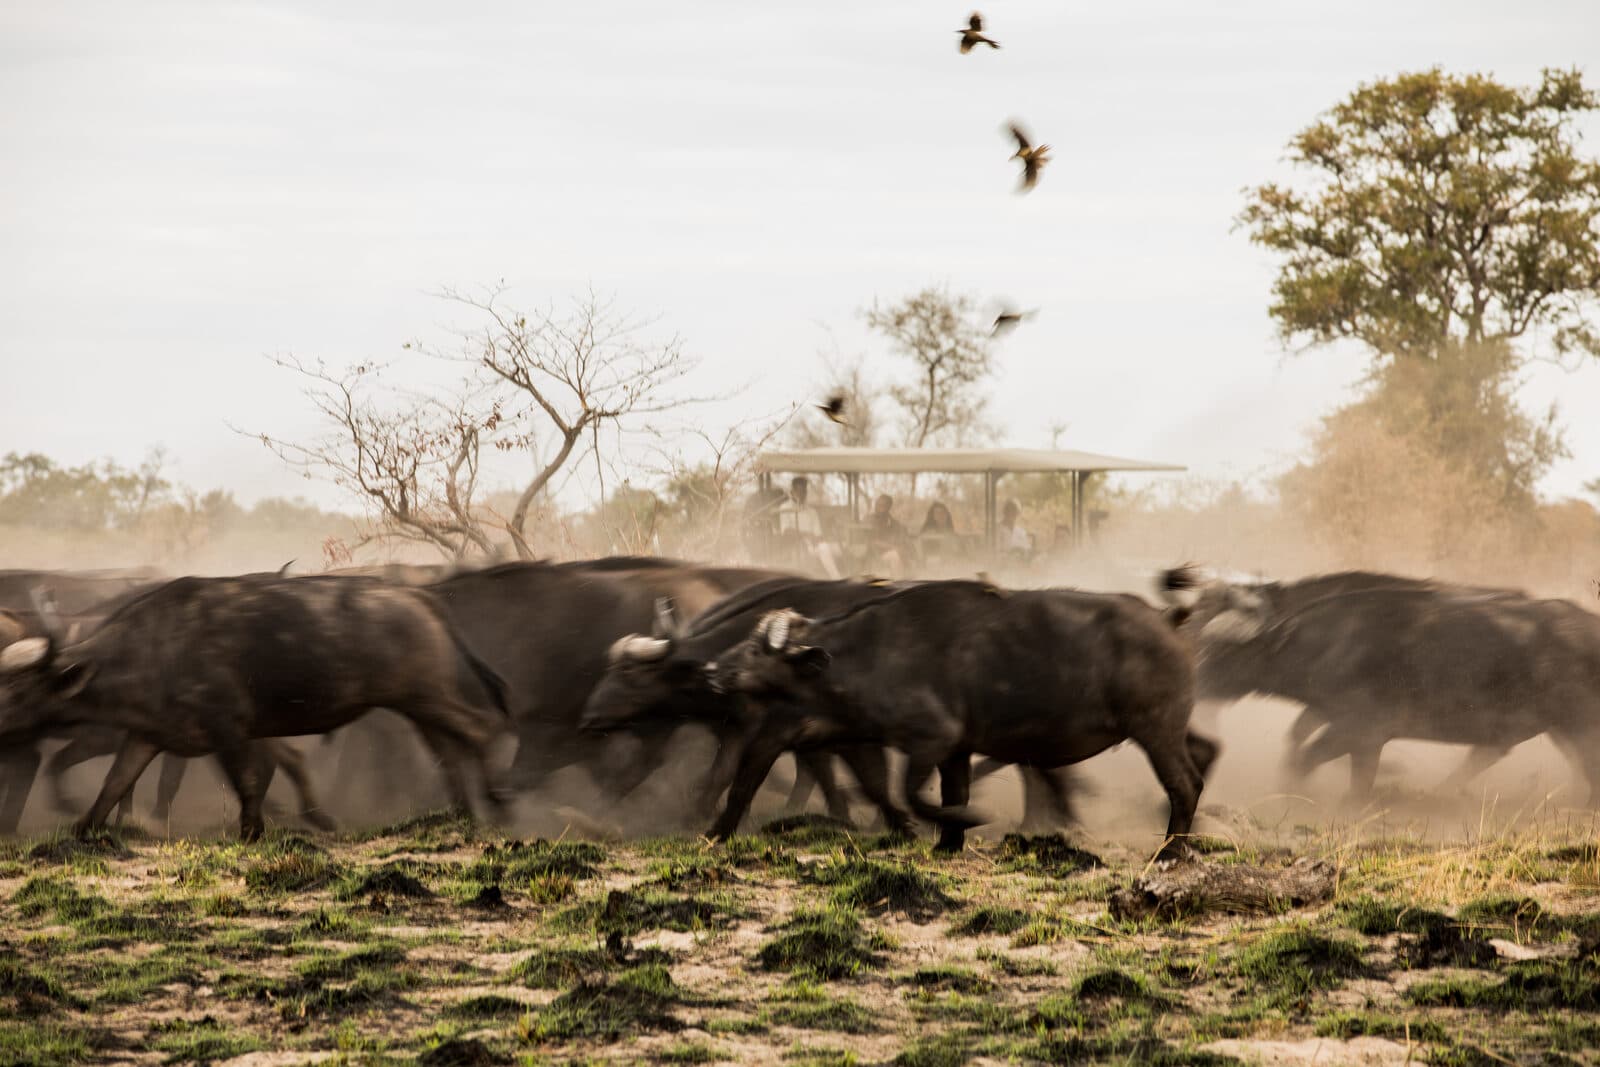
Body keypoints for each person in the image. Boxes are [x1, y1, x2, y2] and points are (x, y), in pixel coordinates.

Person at [778, 476, 842, 578]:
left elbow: (818, 533)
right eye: (799, 490)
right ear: (792, 491)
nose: (802, 494)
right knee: (824, 548)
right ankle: (837, 578)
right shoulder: (784, 508)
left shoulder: (811, 511)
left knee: (840, 548)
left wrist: (817, 539)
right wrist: (806, 535)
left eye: (804, 491)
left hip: (814, 544)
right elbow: (786, 531)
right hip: (797, 544)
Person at [866, 493, 912, 575]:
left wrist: (903, 546)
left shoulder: (894, 523)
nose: (878, 508)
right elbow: (872, 541)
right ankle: (899, 583)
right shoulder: (869, 520)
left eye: (882, 506)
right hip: (875, 555)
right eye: (877, 504)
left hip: (892, 553)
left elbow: (902, 538)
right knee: (895, 555)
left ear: (888, 508)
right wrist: (894, 547)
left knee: (904, 555)